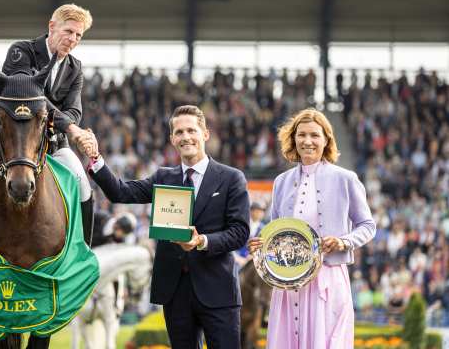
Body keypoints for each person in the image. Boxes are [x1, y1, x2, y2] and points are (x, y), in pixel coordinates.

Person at [87, 105, 250, 348]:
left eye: (192, 130)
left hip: (217, 290)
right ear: (172, 138)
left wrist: (201, 241)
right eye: (180, 132)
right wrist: (95, 159)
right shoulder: (163, 177)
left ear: (205, 133)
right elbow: (121, 191)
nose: (186, 137)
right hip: (175, 292)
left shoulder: (231, 178)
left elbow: (240, 232)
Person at [0, 4, 96, 245]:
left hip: (52, 144)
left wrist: (70, 126)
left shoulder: (74, 68)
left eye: (79, 35)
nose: (73, 39)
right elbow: (27, 95)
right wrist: (70, 127)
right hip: (11, 138)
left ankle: (83, 254)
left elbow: (75, 112)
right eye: (69, 31)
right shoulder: (21, 52)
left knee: (83, 186)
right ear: (52, 26)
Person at [248, 108, 376, 349]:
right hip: (287, 283)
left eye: (315, 135)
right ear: (293, 139)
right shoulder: (281, 182)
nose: (307, 141)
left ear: (326, 139)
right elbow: (274, 232)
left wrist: (344, 241)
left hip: (327, 279)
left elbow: (368, 225)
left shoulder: (345, 178)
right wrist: (259, 244)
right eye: (302, 135)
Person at [234, 201, 267, 267]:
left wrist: (253, 256)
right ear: (251, 211)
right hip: (236, 258)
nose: (260, 213)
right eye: (257, 211)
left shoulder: (264, 229)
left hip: (252, 262)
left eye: (262, 211)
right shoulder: (242, 224)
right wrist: (237, 257)